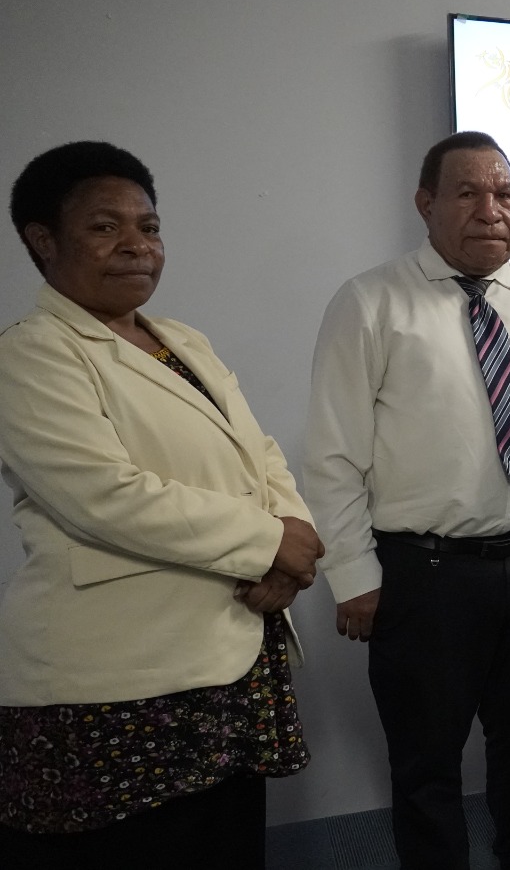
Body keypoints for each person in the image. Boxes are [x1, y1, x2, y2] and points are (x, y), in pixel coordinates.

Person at [0, 141, 321, 868]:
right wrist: (268, 544)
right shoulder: (32, 351)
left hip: (228, 653)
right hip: (116, 683)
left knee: (224, 842)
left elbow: (259, 453)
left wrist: (292, 542)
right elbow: (103, 496)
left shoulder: (181, 341)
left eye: (148, 227)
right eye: (103, 227)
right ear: (42, 240)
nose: (136, 245)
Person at [303, 131, 510, 870]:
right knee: (426, 761)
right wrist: (354, 576)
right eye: (467, 193)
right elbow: (332, 455)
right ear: (426, 204)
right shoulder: (369, 302)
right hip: (425, 578)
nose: (491, 210)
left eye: (505, 194)